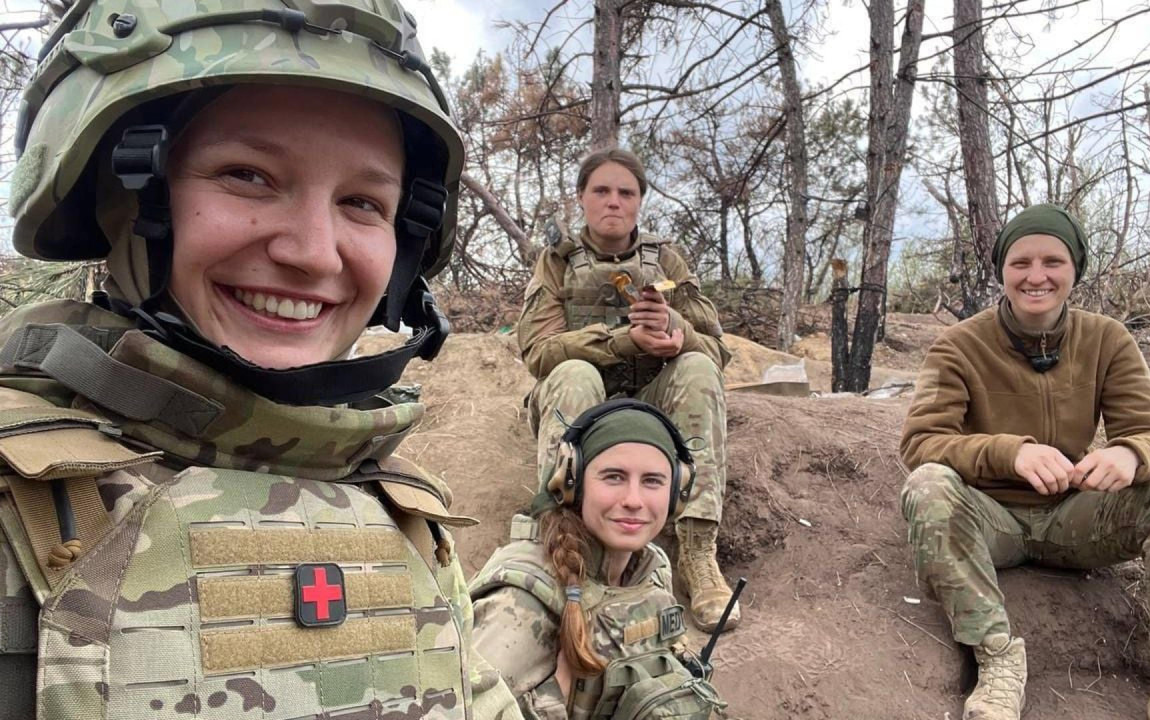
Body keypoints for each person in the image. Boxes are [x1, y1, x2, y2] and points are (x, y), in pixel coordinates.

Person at [0, 3, 519, 718]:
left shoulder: (403, 510)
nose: (312, 252)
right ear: (127, 191)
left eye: (363, 202)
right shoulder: (15, 494)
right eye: (248, 175)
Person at [899, 204, 1150, 720]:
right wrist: (1010, 452)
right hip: (991, 523)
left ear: (1075, 267)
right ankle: (996, 660)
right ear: (1002, 272)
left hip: (1076, 520)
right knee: (928, 485)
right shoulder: (958, 346)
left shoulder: (1107, 339)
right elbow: (921, 443)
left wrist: (1130, 452)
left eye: (1052, 261)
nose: (1037, 277)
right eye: (1020, 263)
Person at [517, 148, 738, 632]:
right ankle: (566, 549)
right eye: (601, 191)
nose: (613, 202)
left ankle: (698, 554)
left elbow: (717, 354)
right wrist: (621, 342)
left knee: (699, 368)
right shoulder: (557, 263)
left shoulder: (668, 260)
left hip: (652, 406)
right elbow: (538, 353)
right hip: (582, 409)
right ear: (581, 199)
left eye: (626, 193)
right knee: (575, 374)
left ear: (640, 202)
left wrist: (676, 329)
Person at [469, 399, 725, 720]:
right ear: (572, 484)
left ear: (676, 493)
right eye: (614, 477)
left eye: (652, 481)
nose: (633, 500)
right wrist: (556, 697)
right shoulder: (523, 600)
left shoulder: (650, 568)